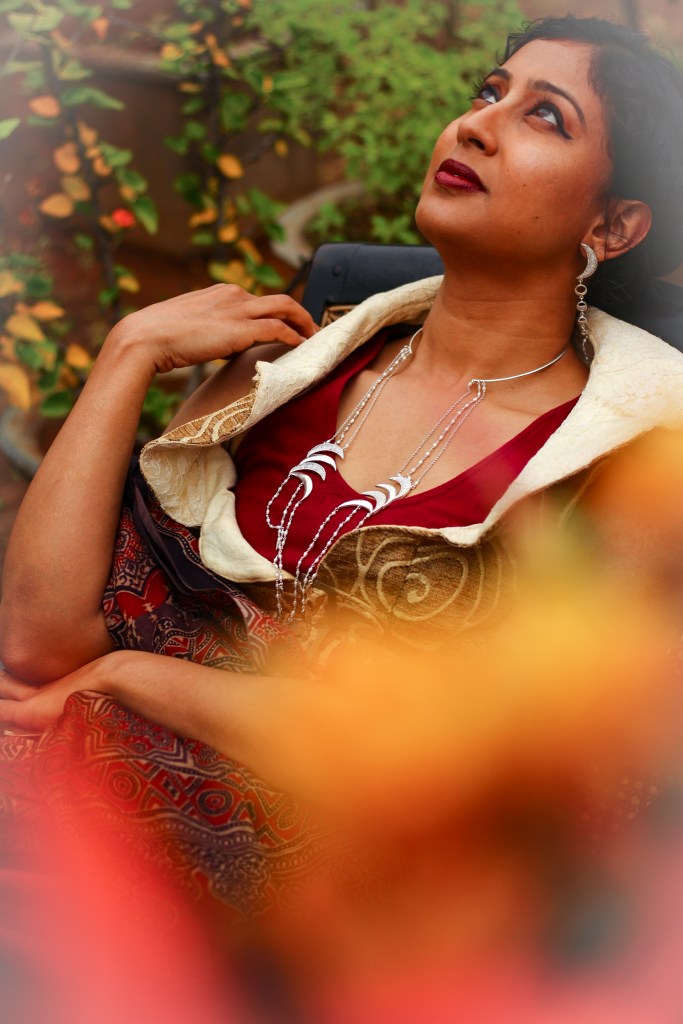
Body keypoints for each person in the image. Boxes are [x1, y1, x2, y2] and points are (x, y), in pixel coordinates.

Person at [1, 14, 683, 921]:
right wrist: (127, 353)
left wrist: (135, 677)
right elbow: (38, 645)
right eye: (488, 92)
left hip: (349, 931)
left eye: (544, 116)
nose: (476, 124)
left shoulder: (621, 465)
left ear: (615, 223)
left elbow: (452, 762)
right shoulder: (282, 373)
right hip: (85, 851)